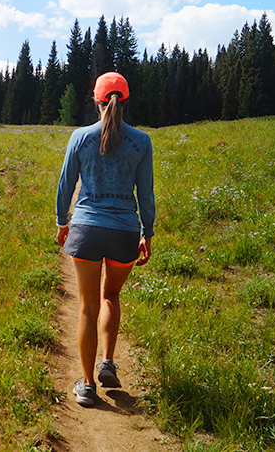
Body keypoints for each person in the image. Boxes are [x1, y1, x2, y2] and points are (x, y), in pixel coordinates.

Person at [55, 72, 155, 407]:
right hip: (125, 230)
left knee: (87, 307)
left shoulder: (80, 138)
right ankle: (108, 363)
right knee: (110, 295)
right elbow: (147, 193)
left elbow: (65, 185)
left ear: (97, 101)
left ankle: (86, 386)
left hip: (85, 228)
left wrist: (61, 222)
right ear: (124, 102)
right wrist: (147, 232)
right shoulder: (141, 141)